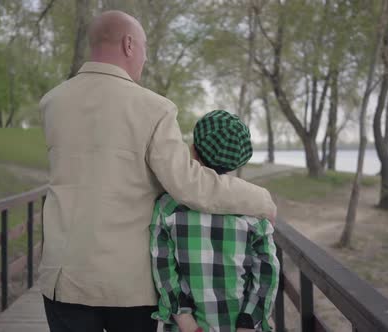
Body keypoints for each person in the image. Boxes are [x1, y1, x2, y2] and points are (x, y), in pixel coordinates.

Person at [38, 10, 277, 332]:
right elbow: (188, 184)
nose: (145, 58)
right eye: (145, 47)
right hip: (128, 285)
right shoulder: (154, 108)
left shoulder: (53, 102)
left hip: (62, 277)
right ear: (128, 44)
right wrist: (259, 199)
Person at [150, 110, 280, 332]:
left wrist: (185, 321)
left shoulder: (167, 207)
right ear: (239, 160)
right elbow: (267, 272)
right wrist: (249, 322)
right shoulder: (255, 212)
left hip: (186, 327)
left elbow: (162, 268)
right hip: (238, 323)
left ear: (193, 150)